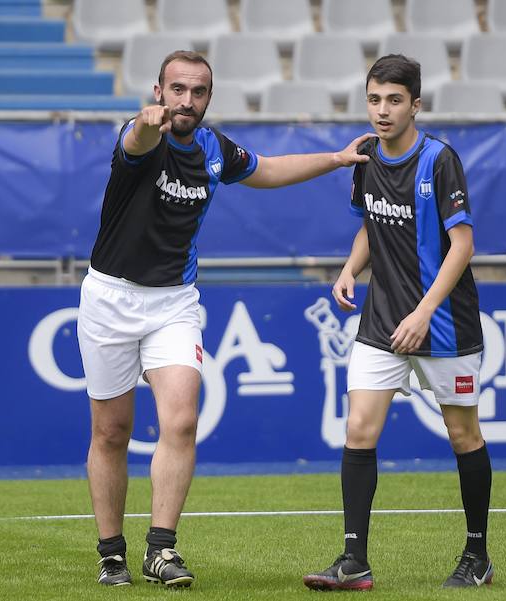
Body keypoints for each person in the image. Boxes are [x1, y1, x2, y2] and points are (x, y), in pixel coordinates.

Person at [77, 50, 371, 588]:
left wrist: (335, 158)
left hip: (175, 301)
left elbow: (265, 169)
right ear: (159, 90)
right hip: (110, 298)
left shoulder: (213, 147)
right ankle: (111, 554)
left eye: (199, 91)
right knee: (112, 431)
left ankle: (161, 551)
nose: (187, 101)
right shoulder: (142, 138)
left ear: (209, 96)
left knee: (182, 420)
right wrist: (145, 123)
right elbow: (135, 141)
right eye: (177, 90)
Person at [302, 54, 494, 591]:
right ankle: (353, 561)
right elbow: (370, 223)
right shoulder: (363, 156)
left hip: (445, 326)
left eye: (393, 100)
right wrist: (348, 269)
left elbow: (464, 245)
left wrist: (425, 311)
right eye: (374, 99)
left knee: (463, 435)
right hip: (382, 321)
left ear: (416, 104)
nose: (382, 111)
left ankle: (477, 555)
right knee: (359, 430)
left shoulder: (439, 160)